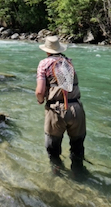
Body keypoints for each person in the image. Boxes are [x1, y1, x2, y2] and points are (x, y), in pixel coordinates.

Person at [35, 35, 86, 174]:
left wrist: (40, 101)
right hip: (77, 108)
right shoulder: (69, 62)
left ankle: (57, 175)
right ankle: (79, 173)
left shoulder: (44, 63)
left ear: (47, 50)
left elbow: (40, 91)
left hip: (56, 110)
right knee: (77, 146)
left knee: (52, 148)